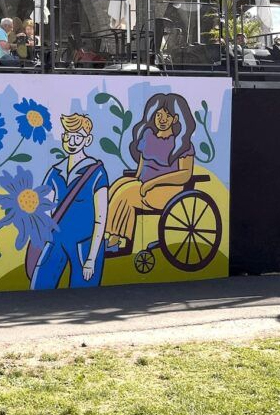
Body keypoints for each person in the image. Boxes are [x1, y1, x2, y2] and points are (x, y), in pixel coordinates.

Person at [106, 93, 196, 251]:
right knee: (117, 187)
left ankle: (114, 241)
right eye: (158, 115)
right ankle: (108, 235)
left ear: (175, 119)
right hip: (145, 185)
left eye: (167, 116)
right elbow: (142, 162)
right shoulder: (148, 135)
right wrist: (135, 179)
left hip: (168, 190)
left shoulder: (182, 144)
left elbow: (185, 174)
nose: (162, 119)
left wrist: (153, 182)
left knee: (127, 194)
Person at [30, 113, 108, 289]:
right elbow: (43, 207)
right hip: (55, 241)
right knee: (39, 286)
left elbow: (100, 220)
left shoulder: (97, 172)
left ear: (87, 140)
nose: (72, 142)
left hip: (85, 245)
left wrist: (91, 258)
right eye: (68, 136)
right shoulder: (55, 172)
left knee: (84, 294)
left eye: (78, 137)